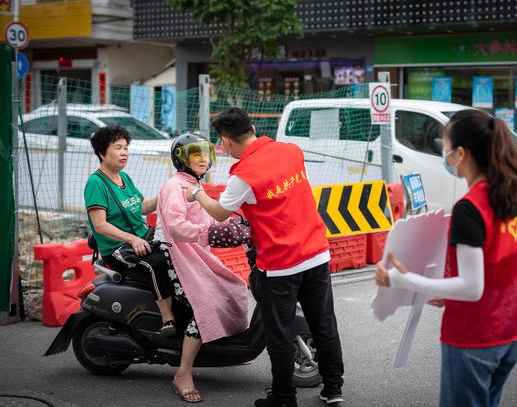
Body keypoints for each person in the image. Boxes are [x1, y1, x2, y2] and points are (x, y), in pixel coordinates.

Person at [183, 108, 344, 407]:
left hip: (281, 265)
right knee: (324, 323)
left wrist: (196, 194)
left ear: (226, 142)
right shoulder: (291, 151)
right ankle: (333, 388)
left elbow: (219, 212)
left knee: (279, 334)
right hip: (316, 252)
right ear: (253, 127)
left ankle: (284, 398)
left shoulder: (243, 175)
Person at [375, 109, 517, 407]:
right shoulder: (511, 196)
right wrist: (446, 293)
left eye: (444, 145)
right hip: (510, 332)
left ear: (460, 153)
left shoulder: (469, 208)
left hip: (475, 337)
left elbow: (472, 288)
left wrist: (399, 279)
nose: (442, 151)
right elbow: (499, 268)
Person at [158, 133, 250, 403]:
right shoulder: (176, 187)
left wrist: (236, 225)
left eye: (205, 153)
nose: (203, 159)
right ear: (181, 159)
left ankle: (225, 348)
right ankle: (183, 373)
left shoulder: (193, 184)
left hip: (197, 255)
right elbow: (176, 227)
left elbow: (211, 215)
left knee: (233, 288)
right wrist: (207, 232)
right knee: (205, 306)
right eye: (195, 154)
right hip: (179, 256)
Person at [84, 125, 176, 336]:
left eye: (126, 147)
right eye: (118, 147)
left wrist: (168, 193)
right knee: (156, 264)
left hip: (140, 238)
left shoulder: (125, 178)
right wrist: (133, 239)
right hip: (118, 248)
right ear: (101, 152)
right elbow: (100, 225)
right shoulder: (96, 183)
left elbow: (141, 208)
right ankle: (167, 318)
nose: (124, 152)